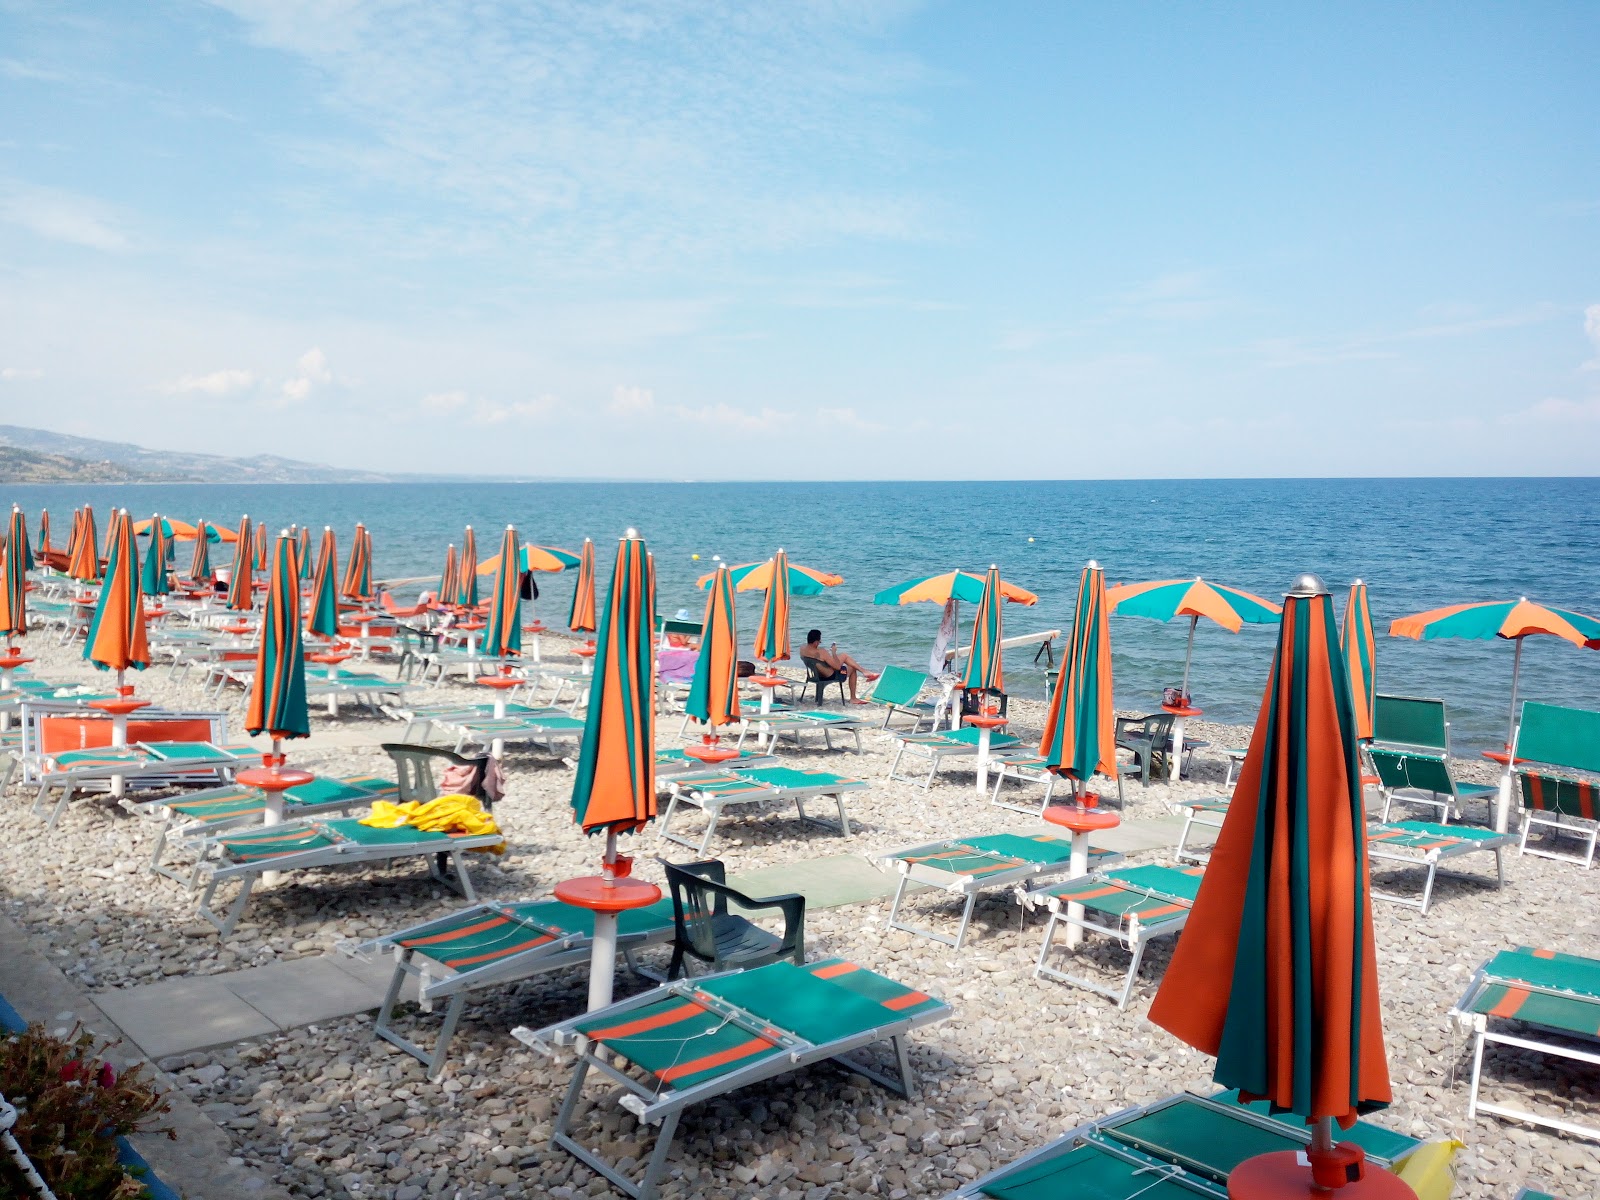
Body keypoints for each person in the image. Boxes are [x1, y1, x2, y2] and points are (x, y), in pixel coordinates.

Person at [799, 629, 877, 701]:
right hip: (829, 675)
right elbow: (837, 667)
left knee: (844, 655)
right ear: (816, 642)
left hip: (815, 674)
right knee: (852, 668)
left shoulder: (802, 649)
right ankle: (853, 698)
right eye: (819, 642)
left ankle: (864, 671)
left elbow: (820, 660)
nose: (819, 643)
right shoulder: (821, 652)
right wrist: (833, 652)